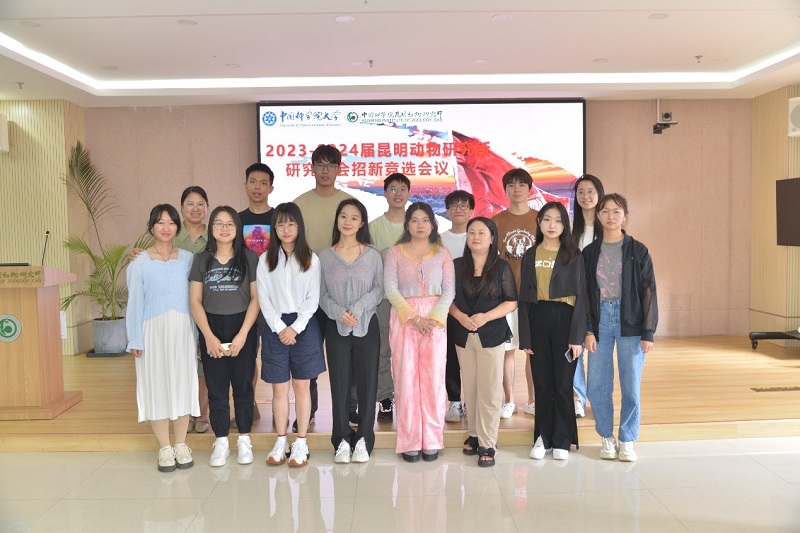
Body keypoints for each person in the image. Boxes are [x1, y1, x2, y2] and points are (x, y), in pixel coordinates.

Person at [583, 193, 658, 462]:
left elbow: (648, 290)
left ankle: (627, 439)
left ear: (625, 216)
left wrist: (648, 331)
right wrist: (587, 330)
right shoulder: (590, 252)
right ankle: (606, 437)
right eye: (605, 211)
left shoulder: (638, 250)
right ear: (598, 216)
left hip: (631, 320)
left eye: (617, 211)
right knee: (597, 383)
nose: (611, 216)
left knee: (631, 384)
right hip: (600, 319)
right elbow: (584, 294)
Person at [126, 204, 199, 472]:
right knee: (156, 384)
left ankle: (181, 444)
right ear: (151, 227)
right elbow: (134, 302)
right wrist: (135, 338)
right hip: (152, 332)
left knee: (182, 383)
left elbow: (196, 300)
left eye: (171, 223)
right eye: (160, 222)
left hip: (183, 331)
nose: (166, 228)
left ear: (177, 227)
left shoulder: (189, 259)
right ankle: (165, 447)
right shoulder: (139, 262)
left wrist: (198, 336)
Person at [189, 206, 260, 467]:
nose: (224, 228)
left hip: (243, 327)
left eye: (230, 224)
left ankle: (244, 439)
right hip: (212, 328)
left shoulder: (249, 258)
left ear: (238, 228)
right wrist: (207, 336)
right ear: (211, 228)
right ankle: (220, 441)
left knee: (243, 388)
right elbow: (195, 301)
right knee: (217, 388)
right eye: (219, 223)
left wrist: (243, 335)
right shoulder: (201, 259)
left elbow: (256, 299)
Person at [384, 202, 455, 462]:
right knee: (406, 378)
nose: (420, 225)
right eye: (414, 220)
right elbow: (390, 290)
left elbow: (449, 291)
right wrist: (414, 318)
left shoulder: (442, 253)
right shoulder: (395, 253)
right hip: (404, 319)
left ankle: (432, 440)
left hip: (435, 321)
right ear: (407, 224)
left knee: (433, 379)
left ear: (433, 224)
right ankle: (410, 441)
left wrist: (432, 319)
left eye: (425, 220)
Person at [257, 203, 325, 468]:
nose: (286, 229)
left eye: (291, 223)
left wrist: (294, 327)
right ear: (274, 228)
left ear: (299, 226)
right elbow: (263, 298)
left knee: (302, 386)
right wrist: (279, 327)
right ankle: (281, 440)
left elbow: (312, 299)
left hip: (303, 327)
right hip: (275, 327)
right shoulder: (265, 260)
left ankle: (301, 441)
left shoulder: (311, 259)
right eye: (281, 224)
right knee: (279, 388)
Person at [519, 202, 588, 461]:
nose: (552, 225)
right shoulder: (530, 254)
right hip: (538, 317)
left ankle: (561, 440)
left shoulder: (574, 255)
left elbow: (582, 298)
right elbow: (524, 298)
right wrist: (526, 337)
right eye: (547, 219)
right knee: (542, 383)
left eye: (558, 220)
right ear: (539, 222)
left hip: (565, 319)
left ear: (564, 225)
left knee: (562, 383)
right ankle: (542, 438)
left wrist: (577, 337)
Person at [293, 144, 353, 432]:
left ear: (339, 169)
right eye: (320, 165)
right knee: (309, 353)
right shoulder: (299, 204)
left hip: (343, 294)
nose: (325, 171)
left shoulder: (349, 203)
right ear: (312, 168)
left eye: (331, 165)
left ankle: (350, 409)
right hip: (308, 293)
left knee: (345, 355)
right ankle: (309, 411)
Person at [319, 199, 384, 463]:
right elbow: (321, 294)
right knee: (340, 385)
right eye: (343, 216)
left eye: (354, 218)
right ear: (337, 220)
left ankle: (364, 438)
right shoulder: (325, 256)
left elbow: (379, 289)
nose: (348, 222)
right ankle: (342, 439)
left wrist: (357, 308)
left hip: (367, 325)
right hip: (336, 328)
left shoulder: (372, 255)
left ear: (362, 223)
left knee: (368, 384)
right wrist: (339, 312)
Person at [449, 217, 517, 467]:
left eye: (481, 232)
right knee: (471, 387)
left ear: (491, 238)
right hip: (463, 334)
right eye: (471, 232)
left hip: (492, 335)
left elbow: (511, 301)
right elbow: (447, 298)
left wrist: (485, 317)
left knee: (489, 389)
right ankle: (475, 434)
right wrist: (460, 316)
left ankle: (488, 442)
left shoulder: (500, 267)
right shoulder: (457, 265)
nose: (476, 237)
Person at [491, 168, 539, 419]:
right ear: (506, 189)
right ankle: (509, 400)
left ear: (530, 189)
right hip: (506, 297)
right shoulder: (496, 222)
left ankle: (533, 400)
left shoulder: (541, 219)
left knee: (533, 351)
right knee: (507, 351)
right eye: (511, 185)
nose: (517, 189)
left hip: (535, 296)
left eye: (521, 184)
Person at [367, 172, 411, 423]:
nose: (397, 193)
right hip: (383, 298)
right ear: (384, 193)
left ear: (409, 193)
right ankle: (385, 398)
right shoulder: (374, 227)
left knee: (409, 351)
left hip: (413, 300)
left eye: (402, 189)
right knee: (383, 349)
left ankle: (408, 397)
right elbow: (369, 262)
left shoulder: (416, 223)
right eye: (392, 188)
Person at [237, 162, 276, 427]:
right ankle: (248, 404)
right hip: (245, 297)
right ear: (245, 185)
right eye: (253, 181)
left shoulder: (279, 219)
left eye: (263, 183)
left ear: (271, 188)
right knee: (247, 355)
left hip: (275, 298)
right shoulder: (237, 220)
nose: (257, 187)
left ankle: (280, 407)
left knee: (275, 354)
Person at [175, 186, 212, 434]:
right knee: (181, 363)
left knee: (203, 366)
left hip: (209, 307)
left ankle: (201, 413)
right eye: (190, 204)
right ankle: (183, 413)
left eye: (200, 204)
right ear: (181, 208)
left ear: (207, 208)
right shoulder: (171, 235)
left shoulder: (216, 236)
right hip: (178, 309)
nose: (195, 209)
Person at [570, 174, 605, 418]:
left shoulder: (608, 226)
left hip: (601, 297)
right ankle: (577, 397)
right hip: (575, 296)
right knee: (574, 348)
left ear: (599, 194)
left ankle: (597, 397)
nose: (585, 196)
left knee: (597, 351)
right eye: (580, 192)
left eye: (591, 191)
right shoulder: (570, 228)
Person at [439, 190, 475, 423]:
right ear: (447, 210)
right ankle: (454, 401)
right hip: (447, 306)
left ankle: (472, 400)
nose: (458, 209)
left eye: (463, 205)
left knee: (473, 356)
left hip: (476, 306)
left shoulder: (478, 235)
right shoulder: (439, 240)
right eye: (453, 205)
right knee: (451, 356)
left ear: (471, 210)